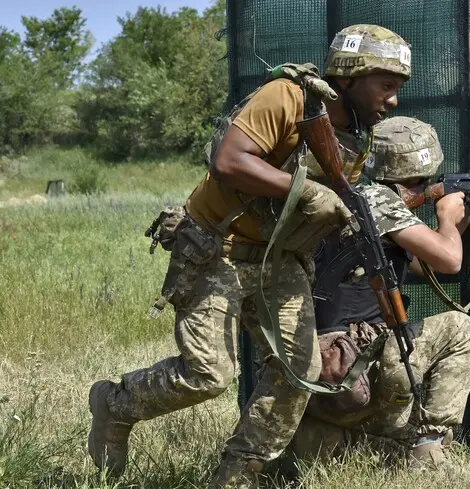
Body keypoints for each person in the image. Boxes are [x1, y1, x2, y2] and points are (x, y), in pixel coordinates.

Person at [86, 24, 413, 488]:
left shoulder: (358, 137)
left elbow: (319, 204)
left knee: (300, 373)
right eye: (387, 85)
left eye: (397, 89)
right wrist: (306, 191)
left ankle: (238, 475)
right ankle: (116, 403)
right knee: (208, 375)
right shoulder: (286, 97)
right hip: (215, 248)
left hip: (280, 261)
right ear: (351, 76)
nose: (393, 99)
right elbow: (229, 160)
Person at [288, 116, 470, 476]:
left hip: (311, 365)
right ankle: (430, 450)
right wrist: (448, 219)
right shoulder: (380, 202)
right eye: (422, 182)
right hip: (354, 359)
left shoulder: (344, 198)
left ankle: (345, 445)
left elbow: (429, 266)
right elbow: (450, 261)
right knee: (461, 328)